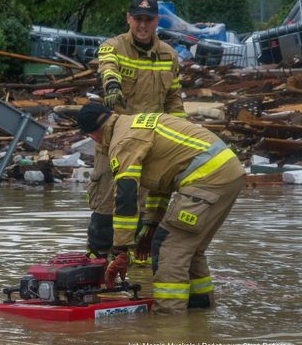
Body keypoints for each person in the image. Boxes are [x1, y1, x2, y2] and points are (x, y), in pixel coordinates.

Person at [78, 103, 245, 314]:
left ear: (93, 136)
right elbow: (162, 182)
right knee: (191, 250)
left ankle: (168, 321)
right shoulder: (134, 123)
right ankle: (200, 313)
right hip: (227, 174)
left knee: (168, 248)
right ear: (111, 114)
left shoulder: (123, 142)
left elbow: (126, 197)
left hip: (207, 179)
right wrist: (151, 223)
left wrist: (121, 249)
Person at [86, 0, 187, 259]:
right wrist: (111, 86)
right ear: (128, 18)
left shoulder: (169, 55)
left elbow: (173, 100)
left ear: (157, 21)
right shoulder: (112, 46)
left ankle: (132, 269)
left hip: (150, 145)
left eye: (148, 20)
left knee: (144, 208)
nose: (143, 25)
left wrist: (181, 136)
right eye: (138, 19)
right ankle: (98, 260)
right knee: (106, 205)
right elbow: (108, 67)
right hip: (115, 141)